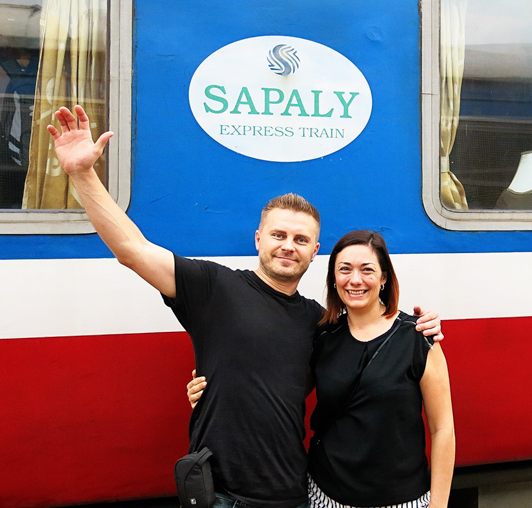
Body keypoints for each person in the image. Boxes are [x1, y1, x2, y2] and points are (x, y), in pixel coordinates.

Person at [47, 105, 442, 508]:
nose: (289, 245)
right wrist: (82, 174)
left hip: (290, 492)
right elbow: (132, 250)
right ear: (258, 239)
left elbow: (350, 352)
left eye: (301, 240)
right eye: (279, 234)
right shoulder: (213, 287)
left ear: (315, 252)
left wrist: (421, 327)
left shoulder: (317, 320)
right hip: (220, 493)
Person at [189, 231, 455, 508]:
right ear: (334, 279)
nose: (355, 280)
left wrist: (438, 505)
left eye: (367, 270)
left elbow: (442, 428)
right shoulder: (323, 336)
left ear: (384, 277)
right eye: (344, 269)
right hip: (324, 496)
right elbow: (279, 395)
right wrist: (213, 394)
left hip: (401, 500)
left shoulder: (419, 337)